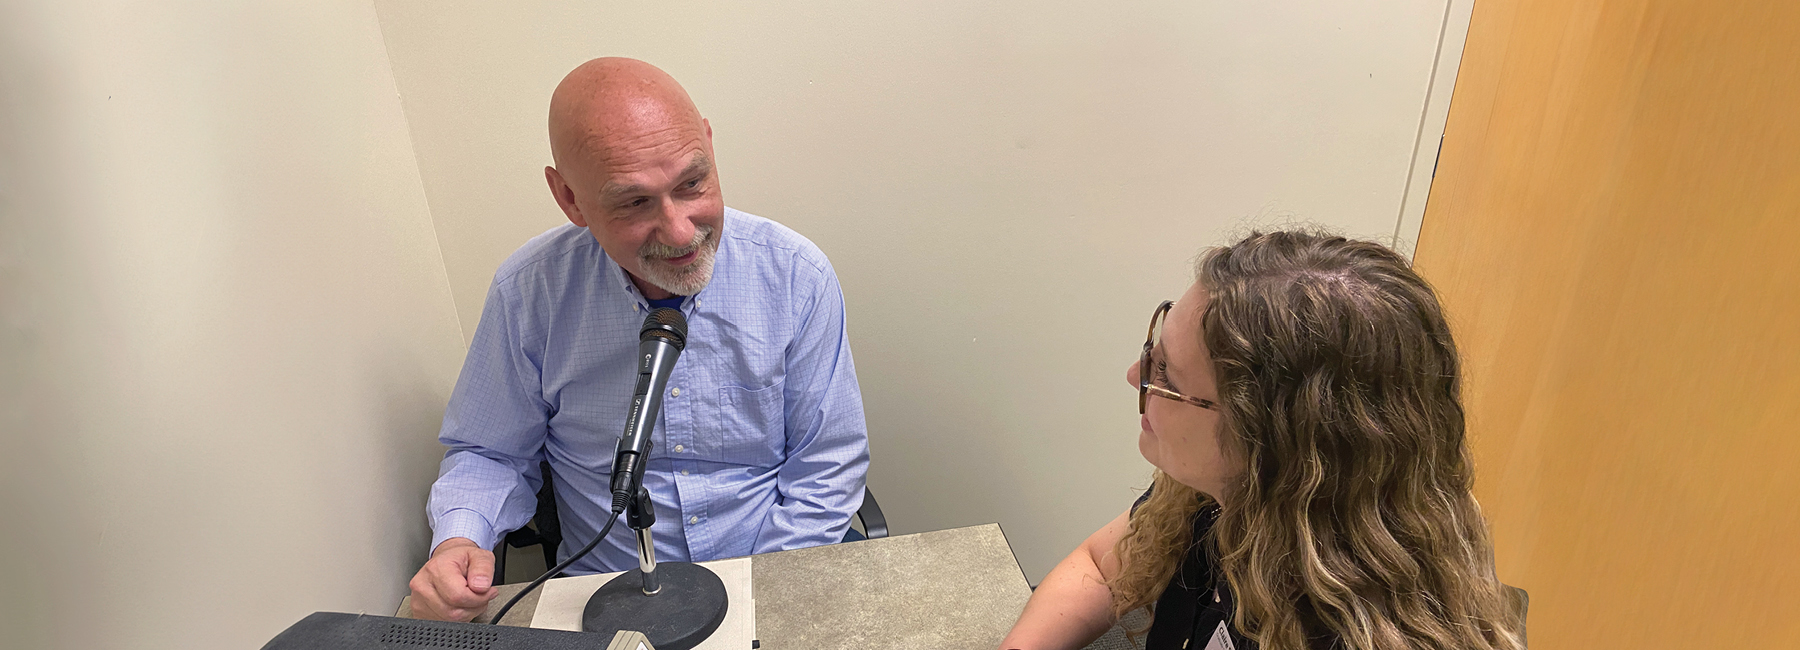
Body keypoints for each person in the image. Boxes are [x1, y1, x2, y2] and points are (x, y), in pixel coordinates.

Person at [407, 58, 870, 622]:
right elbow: (491, 451)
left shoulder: (795, 275)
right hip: (611, 597)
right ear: (570, 199)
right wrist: (459, 540)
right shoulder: (531, 292)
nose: (680, 232)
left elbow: (827, 464)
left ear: (709, 145)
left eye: (692, 184)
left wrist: (760, 601)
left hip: (769, 579)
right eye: (634, 203)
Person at [1000, 231, 1524, 650]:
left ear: (1268, 442)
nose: (1136, 375)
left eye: (1169, 376)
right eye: (1152, 352)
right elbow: (1099, 564)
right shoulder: (1219, 500)